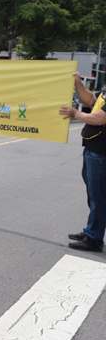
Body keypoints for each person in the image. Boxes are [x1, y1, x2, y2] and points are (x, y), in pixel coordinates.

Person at [60, 73, 106, 252]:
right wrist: (78, 83)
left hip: (102, 153)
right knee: (94, 195)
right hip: (93, 149)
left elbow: (101, 118)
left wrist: (75, 113)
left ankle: (94, 238)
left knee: (99, 196)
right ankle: (91, 231)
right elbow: (92, 102)